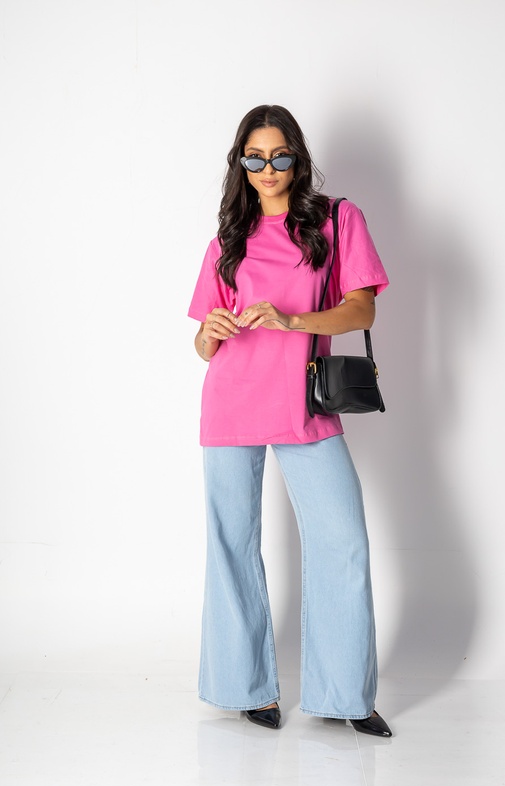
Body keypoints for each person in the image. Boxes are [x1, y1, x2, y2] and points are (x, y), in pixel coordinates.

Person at [188, 104, 391, 737]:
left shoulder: (336, 220)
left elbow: (362, 309)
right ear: (241, 164)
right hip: (231, 401)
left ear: (298, 158)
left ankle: (345, 696)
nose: (268, 168)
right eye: (255, 158)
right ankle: (245, 688)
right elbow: (203, 345)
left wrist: (292, 320)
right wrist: (211, 331)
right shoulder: (228, 239)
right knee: (231, 543)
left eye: (280, 156)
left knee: (342, 540)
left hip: (303, 401)